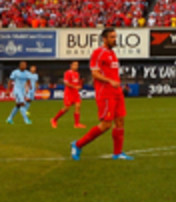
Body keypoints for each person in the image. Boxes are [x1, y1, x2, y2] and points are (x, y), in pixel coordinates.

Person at [71, 27, 133, 160]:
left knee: (120, 121)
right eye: (112, 37)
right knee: (106, 125)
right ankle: (78, 144)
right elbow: (94, 73)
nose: (114, 39)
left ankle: (117, 153)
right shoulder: (98, 53)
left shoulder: (112, 53)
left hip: (116, 92)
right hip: (105, 93)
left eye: (115, 37)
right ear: (104, 39)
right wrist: (110, 81)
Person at [51, 60, 86, 129]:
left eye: (77, 65)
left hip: (75, 93)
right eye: (75, 65)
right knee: (66, 108)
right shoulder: (67, 73)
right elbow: (66, 83)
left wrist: (79, 85)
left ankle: (76, 124)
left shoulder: (77, 74)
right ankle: (54, 119)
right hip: (68, 93)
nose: (76, 66)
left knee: (78, 106)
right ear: (71, 65)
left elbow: (77, 83)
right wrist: (75, 86)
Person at [6, 60, 33, 125]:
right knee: (22, 103)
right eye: (23, 65)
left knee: (18, 105)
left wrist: (30, 86)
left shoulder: (27, 73)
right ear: (20, 66)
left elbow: (28, 80)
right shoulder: (15, 72)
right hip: (17, 90)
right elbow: (10, 81)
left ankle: (9, 119)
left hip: (23, 90)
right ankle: (26, 120)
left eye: (25, 65)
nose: (24, 66)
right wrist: (8, 90)